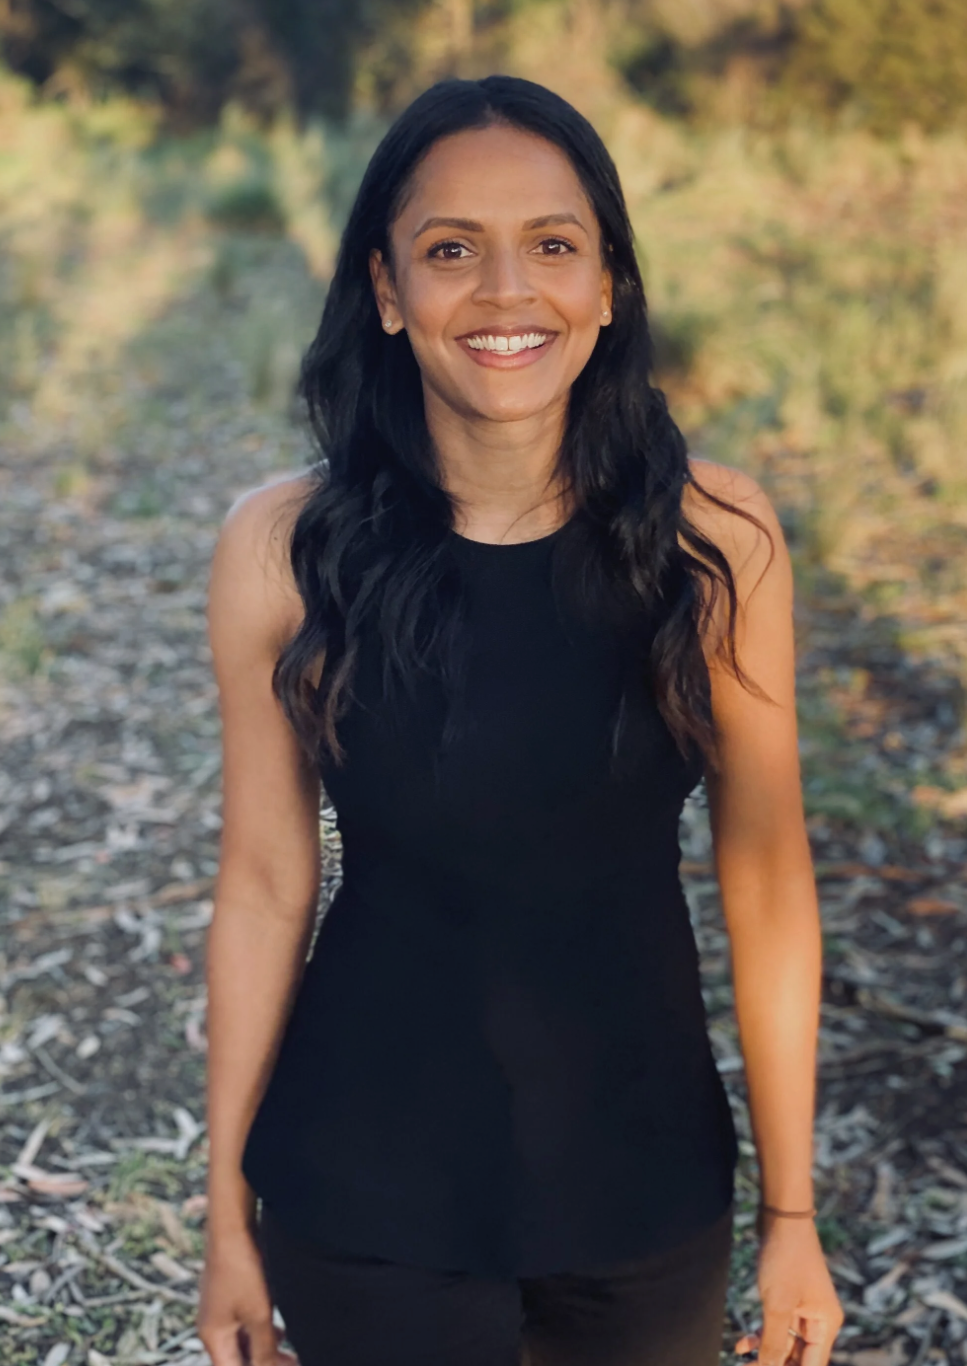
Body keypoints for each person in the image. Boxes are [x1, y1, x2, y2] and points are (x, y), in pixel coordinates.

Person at [196, 74, 843, 1366]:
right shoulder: (282, 547)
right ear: (386, 292)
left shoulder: (716, 537)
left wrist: (791, 1208)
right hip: (362, 1187)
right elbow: (266, 883)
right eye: (450, 251)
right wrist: (221, 1205)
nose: (505, 293)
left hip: (644, 1183)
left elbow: (766, 876)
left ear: (607, 283)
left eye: (551, 245)